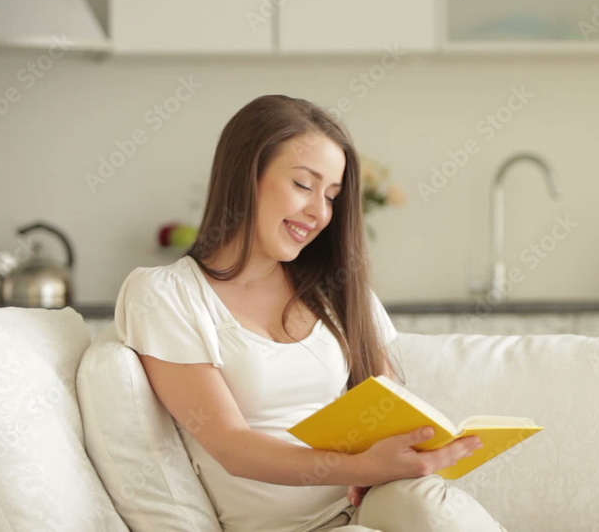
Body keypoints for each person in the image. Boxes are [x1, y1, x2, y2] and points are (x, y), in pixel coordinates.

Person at [112, 95, 507, 531]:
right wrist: (361, 469)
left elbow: (391, 408)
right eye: (303, 185)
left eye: (332, 195)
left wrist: (406, 458)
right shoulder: (167, 295)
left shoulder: (338, 290)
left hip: (370, 506)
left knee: (429, 506)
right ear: (247, 176)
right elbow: (231, 446)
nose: (320, 213)